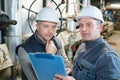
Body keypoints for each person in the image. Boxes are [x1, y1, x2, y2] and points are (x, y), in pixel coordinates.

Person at [54, 5, 120, 80]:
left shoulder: (108, 57)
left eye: (89, 25)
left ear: (100, 27)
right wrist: (72, 72)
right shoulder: (82, 46)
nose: (83, 29)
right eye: (81, 25)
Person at [16, 7, 72, 80]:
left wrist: (69, 69)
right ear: (37, 27)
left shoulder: (57, 41)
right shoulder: (24, 50)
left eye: (53, 27)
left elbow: (66, 63)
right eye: (46, 26)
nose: (50, 31)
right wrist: (48, 56)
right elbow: (34, 78)